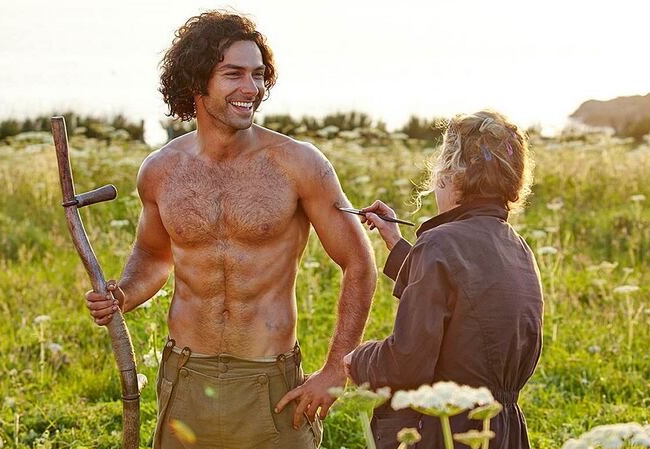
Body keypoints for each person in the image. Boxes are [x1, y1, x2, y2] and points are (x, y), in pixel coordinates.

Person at [84, 11, 377, 449]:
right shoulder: (161, 171)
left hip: (270, 385)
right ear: (197, 82)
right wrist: (122, 294)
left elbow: (359, 263)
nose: (251, 89)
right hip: (185, 379)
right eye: (233, 74)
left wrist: (337, 368)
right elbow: (154, 255)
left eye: (258, 75)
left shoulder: (299, 164)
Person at [344, 110, 544, 449]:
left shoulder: (439, 243)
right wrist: (395, 241)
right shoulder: (517, 247)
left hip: (449, 432)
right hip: (504, 430)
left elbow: (407, 363)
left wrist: (359, 359)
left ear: (451, 172)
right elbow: (466, 301)